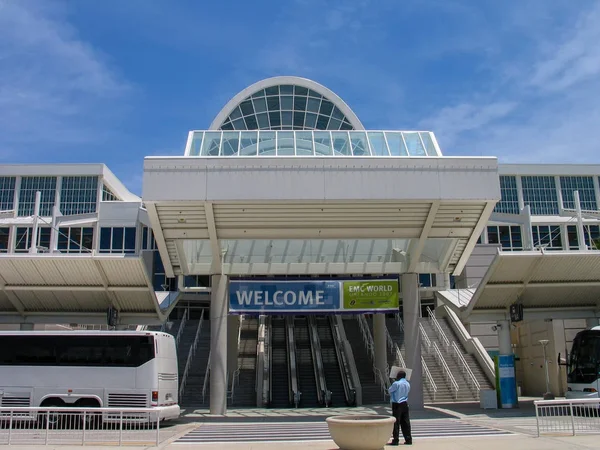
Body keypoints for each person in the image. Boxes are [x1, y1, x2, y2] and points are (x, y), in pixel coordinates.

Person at [388, 370, 412, 446]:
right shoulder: (407, 383)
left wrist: (393, 382)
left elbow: (390, 390)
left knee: (396, 422)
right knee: (406, 422)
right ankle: (408, 439)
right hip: (405, 404)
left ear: (399, 376)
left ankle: (396, 439)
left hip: (397, 404)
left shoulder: (396, 383)